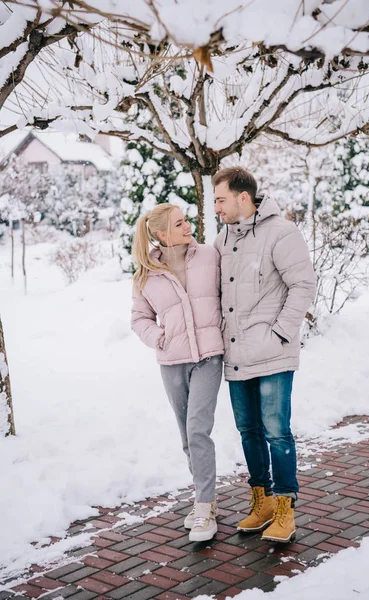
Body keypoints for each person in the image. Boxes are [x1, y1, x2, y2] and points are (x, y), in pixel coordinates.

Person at [213, 167, 316, 543]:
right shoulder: (223, 238)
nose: (217, 207)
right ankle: (263, 503)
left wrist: (281, 332)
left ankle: (286, 510)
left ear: (244, 197)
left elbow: (304, 285)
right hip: (237, 354)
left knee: (276, 432)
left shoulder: (281, 232)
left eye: (221, 199)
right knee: (248, 432)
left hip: (272, 354)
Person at [131, 203, 224, 542]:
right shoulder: (145, 273)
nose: (188, 226)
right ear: (160, 234)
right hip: (171, 362)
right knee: (186, 436)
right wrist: (158, 337)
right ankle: (203, 498)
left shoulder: (209, 256)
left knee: (198, 429)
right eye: (180, 223)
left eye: (186, 220)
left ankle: (205, 505)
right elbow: (139, 319)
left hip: (208, 358)